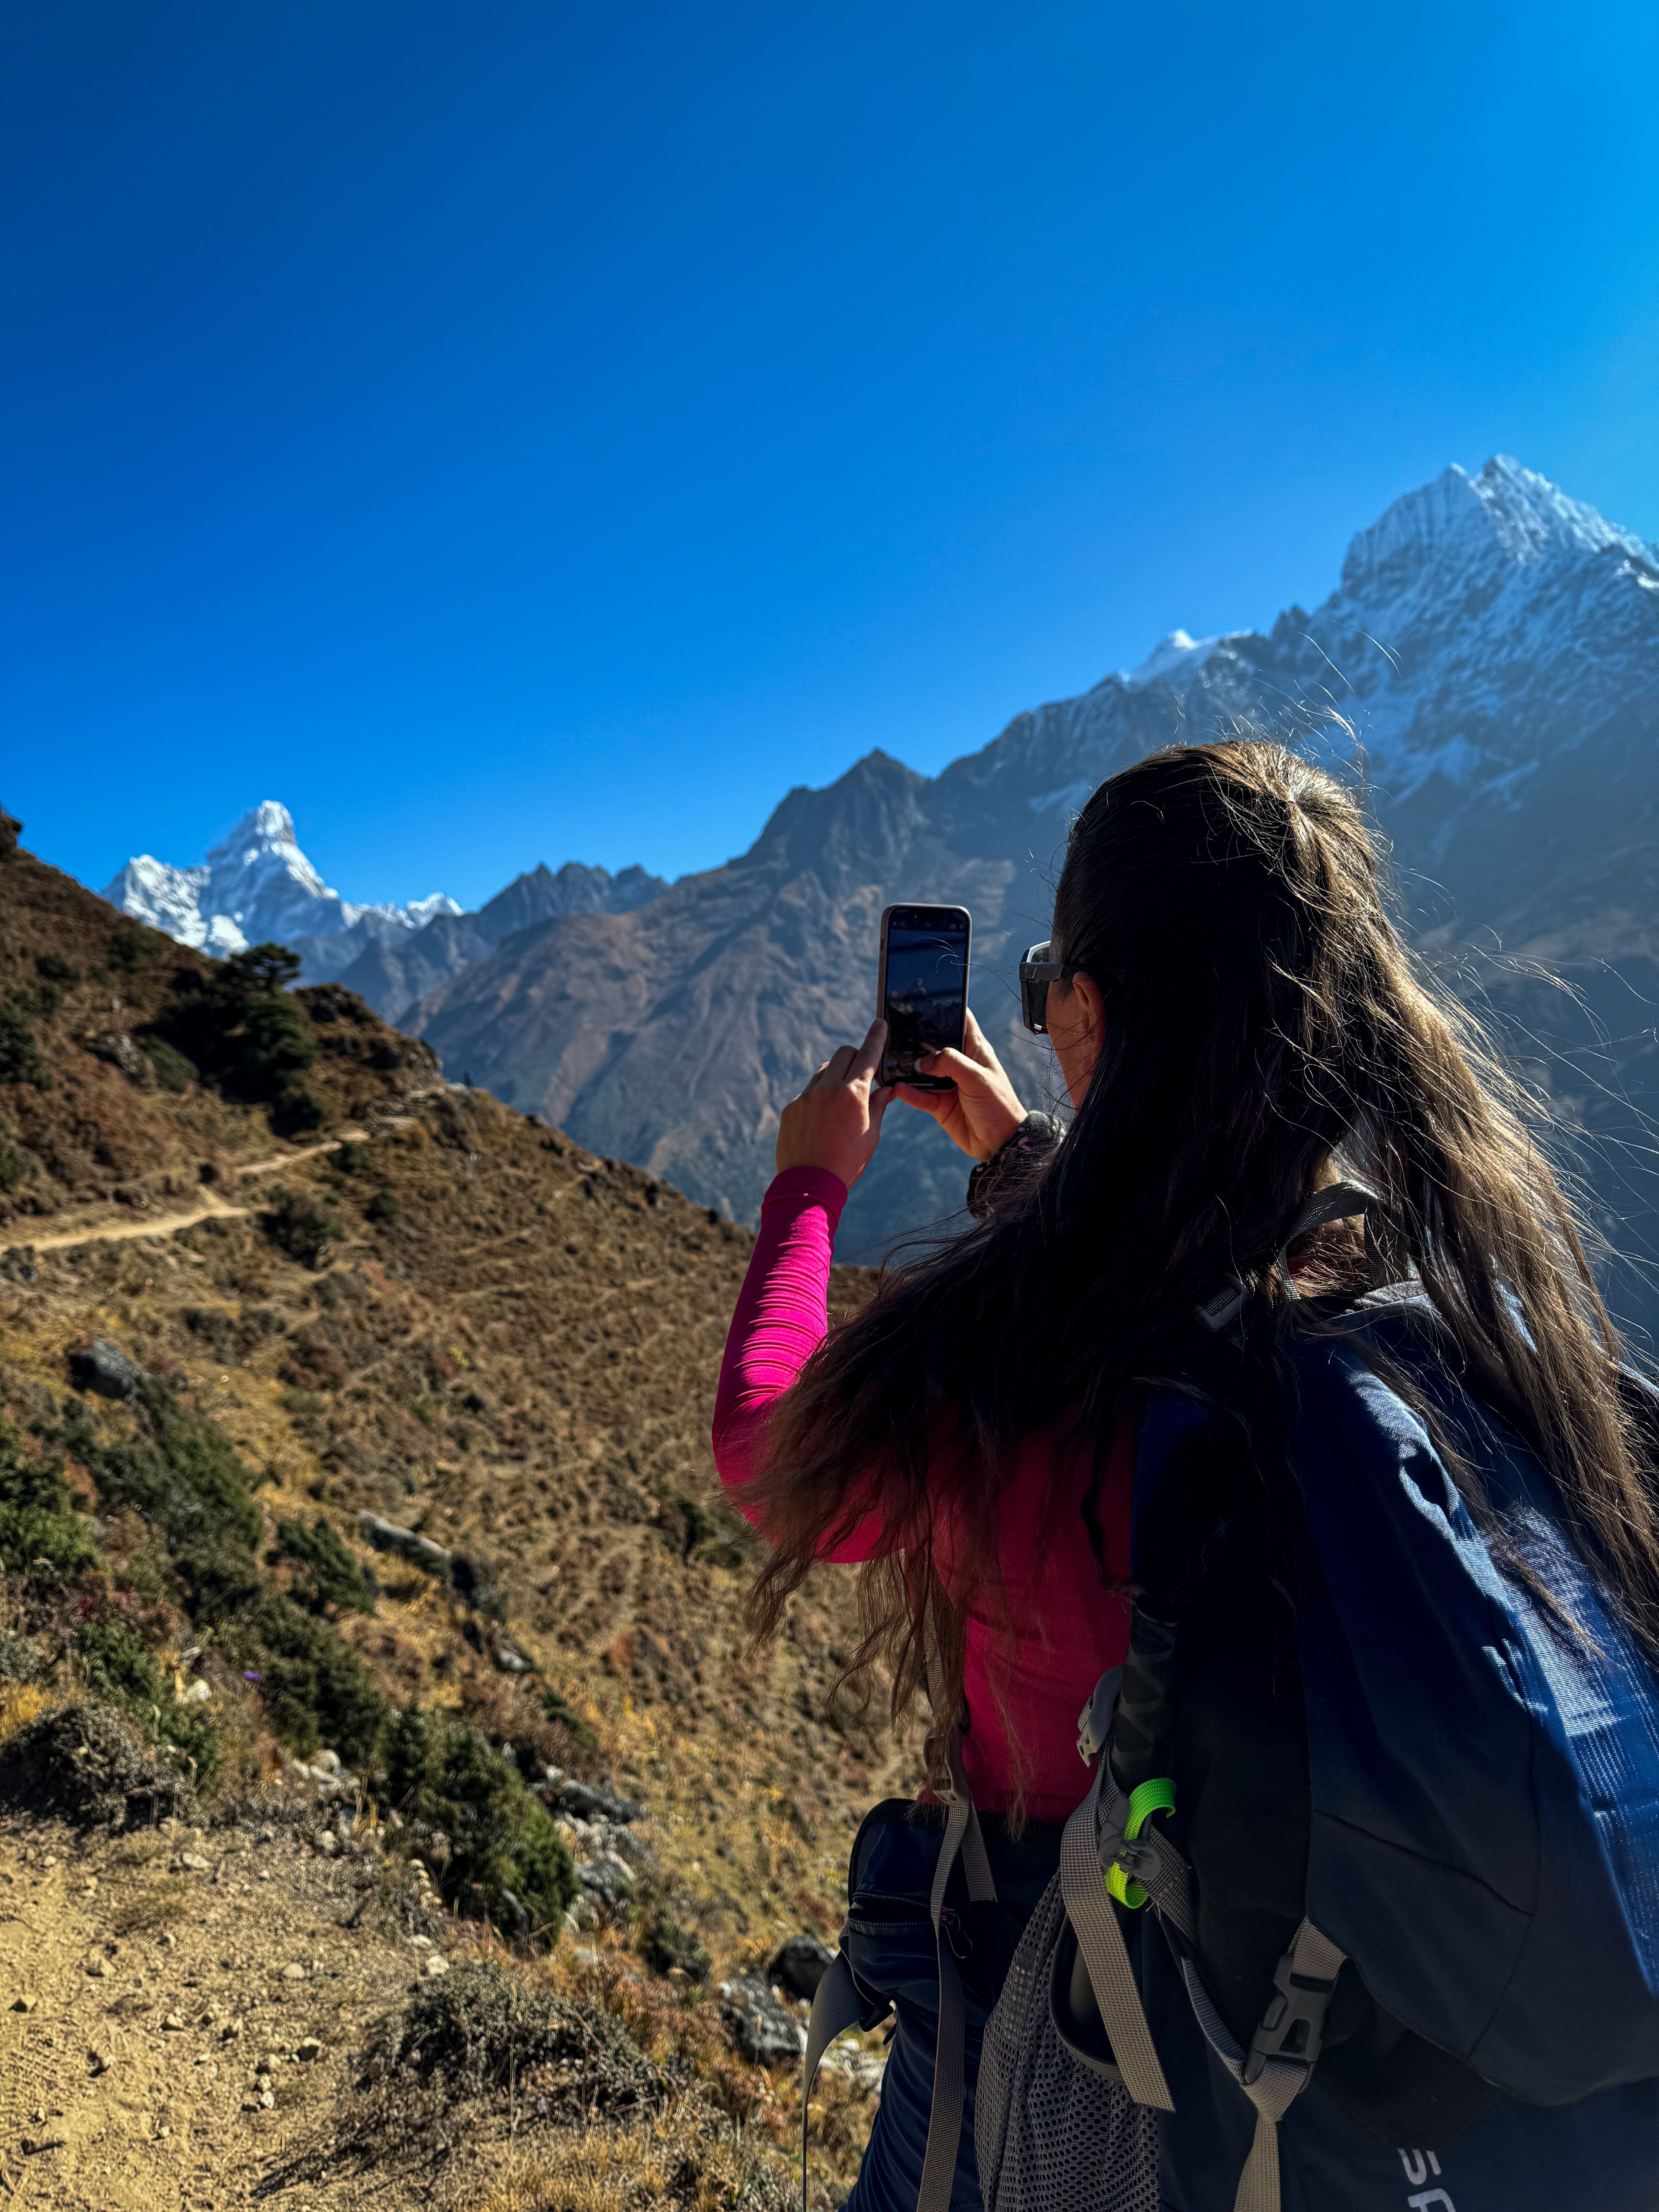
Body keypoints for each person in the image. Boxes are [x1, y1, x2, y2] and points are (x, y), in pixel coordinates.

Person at [712, 738, 1659, 2212]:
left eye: (1051, 992)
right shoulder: (1460, 1310)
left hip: (1070, 1990)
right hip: (1358, 2011)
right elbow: (1192, 1250)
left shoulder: (1013, 1354)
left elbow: (777, 1466)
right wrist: (1027, 1152)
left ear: (1085, 1010)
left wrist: (806, 1188)